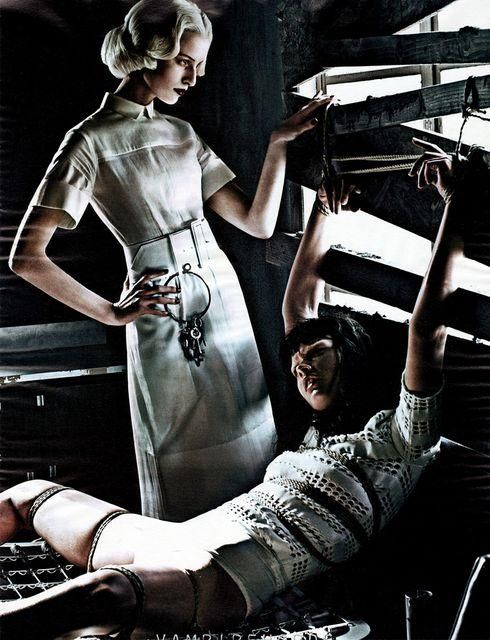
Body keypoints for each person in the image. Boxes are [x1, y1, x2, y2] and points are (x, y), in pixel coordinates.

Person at [0, 140, 464, 638]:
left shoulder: (402, 442)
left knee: (105, 594)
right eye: (297, 362)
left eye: (315, 353)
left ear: (349, 354)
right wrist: (323, 213)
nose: (302, 367)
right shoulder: (315, 437)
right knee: (26, 497)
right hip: (175, 539)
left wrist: (457, 203)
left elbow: (426, 327)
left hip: (226, 576)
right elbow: (297, 309)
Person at [8, 0, 331, 521]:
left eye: (199, 65)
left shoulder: (182, 134)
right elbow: (27, 256)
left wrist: (277, 145)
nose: (194, 77)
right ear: (148, 55)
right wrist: (112, 312)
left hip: (223, 297)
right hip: (161, 309)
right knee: (183, 451)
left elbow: (257, 223)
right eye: (185, 62)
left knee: (249, 434)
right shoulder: (89, 141)